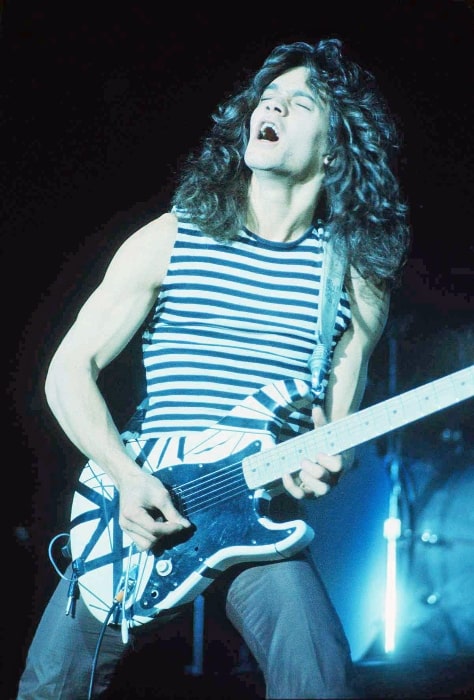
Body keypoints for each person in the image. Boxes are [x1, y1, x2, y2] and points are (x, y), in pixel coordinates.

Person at [17, 37, 410, 699]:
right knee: (51, 686)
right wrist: (125, 477)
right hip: (146, 500)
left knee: (319, 675)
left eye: (301, 103)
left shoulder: (354, 276)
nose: (273, 106)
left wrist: (324, 465)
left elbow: (334, 425)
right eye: (269, 96)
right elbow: (67, 370)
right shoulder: (174, 236)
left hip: (252, 505)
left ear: (336, 145)